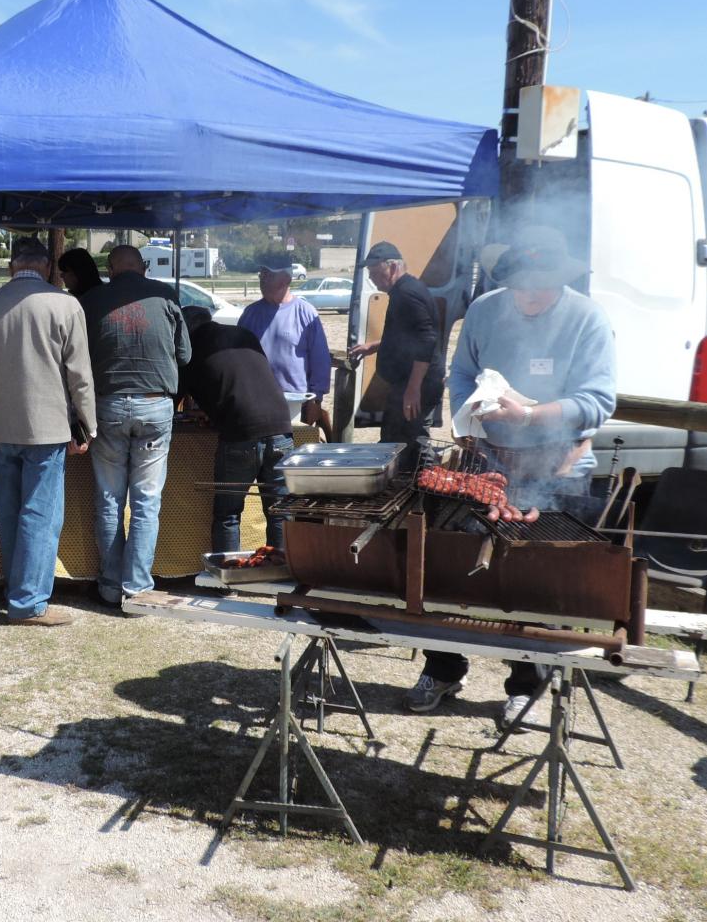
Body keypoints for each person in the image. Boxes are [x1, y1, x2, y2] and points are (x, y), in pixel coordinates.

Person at [403, 225, 617, 729]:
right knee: (454, 566)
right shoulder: (484, 310)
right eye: (523, 283)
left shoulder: (587, 318)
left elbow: (599, 401)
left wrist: (532, 414)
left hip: (557, 464)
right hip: (489, 458)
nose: (531, 294)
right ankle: (444, 665)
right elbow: (461, 372)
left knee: (535, 580)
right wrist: (466, 421)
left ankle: (527, 684)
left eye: (542, 283)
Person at [0, 237, 96, 626]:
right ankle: (28, 603)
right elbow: (80, 375)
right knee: (40, 515)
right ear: (47, 267)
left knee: (10, 512)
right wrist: (88, 424)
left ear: (12, 266)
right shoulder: (65, 304)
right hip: (48, 427)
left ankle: (17, 591)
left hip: (4, 424)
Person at [79, 245, 190, 607]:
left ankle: (110, 586)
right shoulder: (165, 295)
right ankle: (137, 588)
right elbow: (185, 355)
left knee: (109, 499)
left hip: (107, 404)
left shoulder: (92, 300)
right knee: (146, 501)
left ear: (110, 269)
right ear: (143, 268)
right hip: (155, 404)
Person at [179, 306, 294, 553]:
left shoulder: (189, 351)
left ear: (185, 330)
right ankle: (281, 576)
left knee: (228, 514)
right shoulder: (243, 335)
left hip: (241, 435)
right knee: (278, 511)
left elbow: (175, 399)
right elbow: (240, 379)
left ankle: (227, 583)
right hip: (282, 428)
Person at [347, 241, 445, 470]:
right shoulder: (403, 290)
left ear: (391, 267)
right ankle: (398, 485)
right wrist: (375, 346)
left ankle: (427, 493)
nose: (371, 277)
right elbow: (408, 335)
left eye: (374, 271)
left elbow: (427, 340)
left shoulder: (407, 294)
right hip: (407, 382)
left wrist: (413, 388)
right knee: (394, 440)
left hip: (417, 384)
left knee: (414, 441)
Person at [237, 256, 331, 431]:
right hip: (256, 401)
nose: (262, 280)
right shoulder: (250, 314)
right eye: (261, 275)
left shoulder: (306, 313)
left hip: (295, 404)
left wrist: (316, 400)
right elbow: (238, 360)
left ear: (286, 279)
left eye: (268, 275)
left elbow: (320, 361)